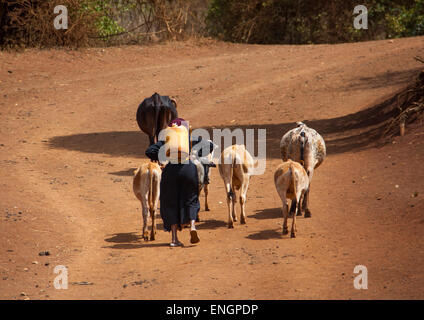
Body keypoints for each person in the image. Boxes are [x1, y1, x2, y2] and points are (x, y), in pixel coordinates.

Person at [145, 118, 215, 247]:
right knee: (192, 199)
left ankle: (174, 239)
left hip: (171, 170)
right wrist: (195, 154)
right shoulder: (189, 138)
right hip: (188, 168)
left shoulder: (167, 141)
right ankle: (193, 226)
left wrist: (164, 156)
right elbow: (210, 146)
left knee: (170, 202)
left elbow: (149, 151)